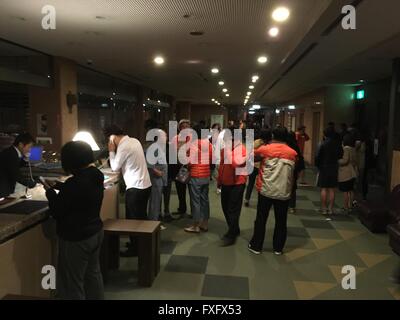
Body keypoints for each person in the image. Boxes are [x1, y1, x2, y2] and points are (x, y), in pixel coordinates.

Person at [45, 141, 104, 300]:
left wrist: (50, 192)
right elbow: (79, 193)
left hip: (77, 238)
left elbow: (57, 211)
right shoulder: (96, 175)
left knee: (73, 283)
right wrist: (59, 186)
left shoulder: (75, 183)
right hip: (95, 231)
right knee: (93, 275)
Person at [248, 127, 297, 255]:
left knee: (261, 218)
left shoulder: (265, 149)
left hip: (266, 190)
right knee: (281, 221)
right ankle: (278, 248)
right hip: (284, 192)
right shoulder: (292, 153)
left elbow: (251, 158)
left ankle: (256, 246)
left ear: (273, 135)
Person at [105, 125, 152, 257]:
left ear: (112, 137)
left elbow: (114, 167)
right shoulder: (134, 140)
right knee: (141, 218)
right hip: (145, 185)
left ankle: (135, 249)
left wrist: (111, 151)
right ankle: (139, 244)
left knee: (132, 221)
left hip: (135, 188)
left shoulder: (124, 146)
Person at [217, 128, 248, 246]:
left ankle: (232, 234)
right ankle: (234, 229)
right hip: (225, 182)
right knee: (225, 208)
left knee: (233, 210)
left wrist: (228, 150)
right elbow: (221, 165)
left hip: (237, 184)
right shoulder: (224, 150)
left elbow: (235, 163)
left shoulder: (242, 149)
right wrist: (219, 180)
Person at [184, 125, 213, 233]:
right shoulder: (209, 144)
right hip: (206, 175)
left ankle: (195, 225)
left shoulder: (193, 144)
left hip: (196, 175)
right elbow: (211, 159)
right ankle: (204, 223)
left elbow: (190, 162)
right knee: (205, 200)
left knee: (195, 201)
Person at [315, 127, 343, 218]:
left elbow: (318, 157)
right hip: (334, 167)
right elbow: (340, 155)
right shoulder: (338, 144)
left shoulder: (322, 144)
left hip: (324, 167)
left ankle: (324, 208)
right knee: (332, 189)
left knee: (324, 188)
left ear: (324, 134)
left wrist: (318, 166)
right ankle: (330, 209)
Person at [0, 132, 36, 198]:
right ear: (21, 144)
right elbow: (16, 174)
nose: (29, 150)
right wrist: (28, 183)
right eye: (29, 147)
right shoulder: (11, 154)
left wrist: (25, 159)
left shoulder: (12, 151)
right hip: (3, 187)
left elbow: (14, 165)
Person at [244, 128, 272, 207]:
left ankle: (247, 199)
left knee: (251, 183)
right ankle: (263, 201)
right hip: (263, 166)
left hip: (253, 165)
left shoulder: (256, 142)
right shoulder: (269, 144)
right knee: (263, 184)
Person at [146, 129, 168, 229]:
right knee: (155, 202)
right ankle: (152, 224)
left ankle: (155, 222)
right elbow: (149, 164)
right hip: (155, 179)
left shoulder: (159, 147)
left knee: (157, 201)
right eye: (165, 136)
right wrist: (158, 172)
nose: (166, 138)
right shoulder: (154, 147)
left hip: (159, 179)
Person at [170, 119, 191, 217]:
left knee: (192, 191)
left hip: (190, 168)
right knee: (180, 190)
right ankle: (182, 209)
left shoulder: (192, 138)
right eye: (183, 126)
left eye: (187, 126)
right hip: (179, 167)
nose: (185, 128)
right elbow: (172, 152)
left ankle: (194, 211)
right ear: (180, 128)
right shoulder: (175, 138)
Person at [338, 134, 358, 214]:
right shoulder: (353, 149)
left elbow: (345, 160)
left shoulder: (346, 149)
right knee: (351, 190)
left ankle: (345, 207)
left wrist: (337, 161)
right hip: (353, 172)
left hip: (346, 173)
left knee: (345, 191)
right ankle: (350, 206)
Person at [287, 131, 303, 214]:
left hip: (286, 169)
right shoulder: (296, 146)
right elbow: (300, 159)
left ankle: (285, 204)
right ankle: (292, 206)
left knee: (285, 186)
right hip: (294, 169)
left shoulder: (286, 145)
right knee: (293, 188)